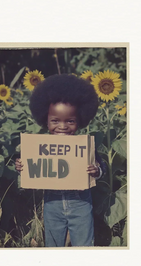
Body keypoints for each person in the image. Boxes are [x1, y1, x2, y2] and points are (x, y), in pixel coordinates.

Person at [15, 74, 106, 247]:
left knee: (84, 244)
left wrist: (97, 170)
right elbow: (32, 167)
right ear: (45, 120)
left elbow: (102, 166)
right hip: (52, 205)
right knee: (53, 244)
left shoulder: (85, 145)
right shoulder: (40, 147)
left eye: (70, 121)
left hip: (81, 205)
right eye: (55, 121)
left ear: (79, 121)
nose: (62, 127)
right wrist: (21, 166)